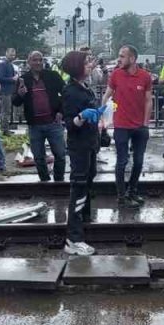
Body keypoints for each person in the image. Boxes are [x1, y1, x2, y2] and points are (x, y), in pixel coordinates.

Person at [60, 50, 104, 256]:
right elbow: (70, 124)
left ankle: (83, 222)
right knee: (78, 188)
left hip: (90, 143)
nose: (90, 65)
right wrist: (82, 116)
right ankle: (73, 238)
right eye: (86, 63)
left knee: (87, 184)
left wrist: (99, 116)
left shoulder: (85, 88)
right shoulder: (70, 91)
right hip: (79, 147)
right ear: (76, 66)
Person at [103, 45, 154, 208]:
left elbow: (148, 101)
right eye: (119, 56)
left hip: (140, 126)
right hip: (121, 126)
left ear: (132, 59)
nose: (119, 59)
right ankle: (121, 195)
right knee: (122, 161)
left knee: (138, 162)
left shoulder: (145, 76)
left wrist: (145, 123)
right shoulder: (116, 74)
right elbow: (106, 95)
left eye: (122, 56)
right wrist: (101, 117)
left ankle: (132, 190)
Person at [13, 51, 67, 182]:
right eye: (34, 60)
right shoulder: (23, 79)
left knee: (60, 154)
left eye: (40, 60)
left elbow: (66, 94)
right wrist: (20, 94)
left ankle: (59, 181)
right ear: (28, 62)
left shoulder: (52, 76)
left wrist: (61, 111)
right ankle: (45, 182)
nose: (38, 63)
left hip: (53, 122)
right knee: (38, 157)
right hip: (34, 125)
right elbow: (15, 102)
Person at [0, 48, 18, 134]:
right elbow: (0, 78)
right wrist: (12, 79)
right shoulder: (3, 65)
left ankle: (5, 129)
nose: (13, 56)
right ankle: (4, 130)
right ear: (6, 54)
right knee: (5, 111)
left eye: (14, 55)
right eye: (11, 55)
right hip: (4, 91)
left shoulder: (9, 64)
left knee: (7, 110)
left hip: (8, 91)